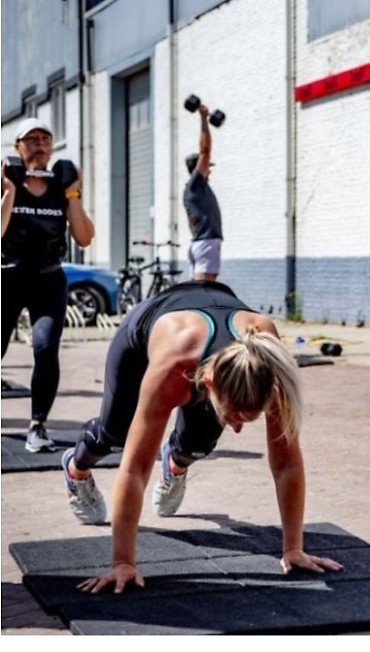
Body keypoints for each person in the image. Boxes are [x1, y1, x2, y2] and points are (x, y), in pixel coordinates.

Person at [60, 280, 343, 593]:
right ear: (208, 383)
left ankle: (176, 465)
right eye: (234, 417)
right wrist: (123, 562)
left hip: (217, 313)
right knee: (114, 437)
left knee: (198, 446)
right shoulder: (173, 368)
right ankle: (77, 469)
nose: (236, 429)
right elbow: (135, 469)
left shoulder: (271, 370)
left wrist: (293, 548)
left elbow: (286, 463)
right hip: (143, 338)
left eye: (249, 419)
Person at [1, 118, 95, 453]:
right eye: (32, 139)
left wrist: (73, 194)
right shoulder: (6, 182)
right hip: (7, 278)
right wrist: (10, 190)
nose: (40, 144)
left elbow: (84, 237)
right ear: (18, 148)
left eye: (45, 139)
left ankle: (37, 426)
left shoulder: (61, 186)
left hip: (48, 280)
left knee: (44, 347)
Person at [183, 102, 222, 282]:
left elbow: (191, 224)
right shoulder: (195, 184)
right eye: (207, 167)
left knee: (199, 293)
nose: (210, 170)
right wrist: (203, 119)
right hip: (206, 243)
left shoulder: (193, 190)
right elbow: (205, 151)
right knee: (204, 293)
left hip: (200, 242)